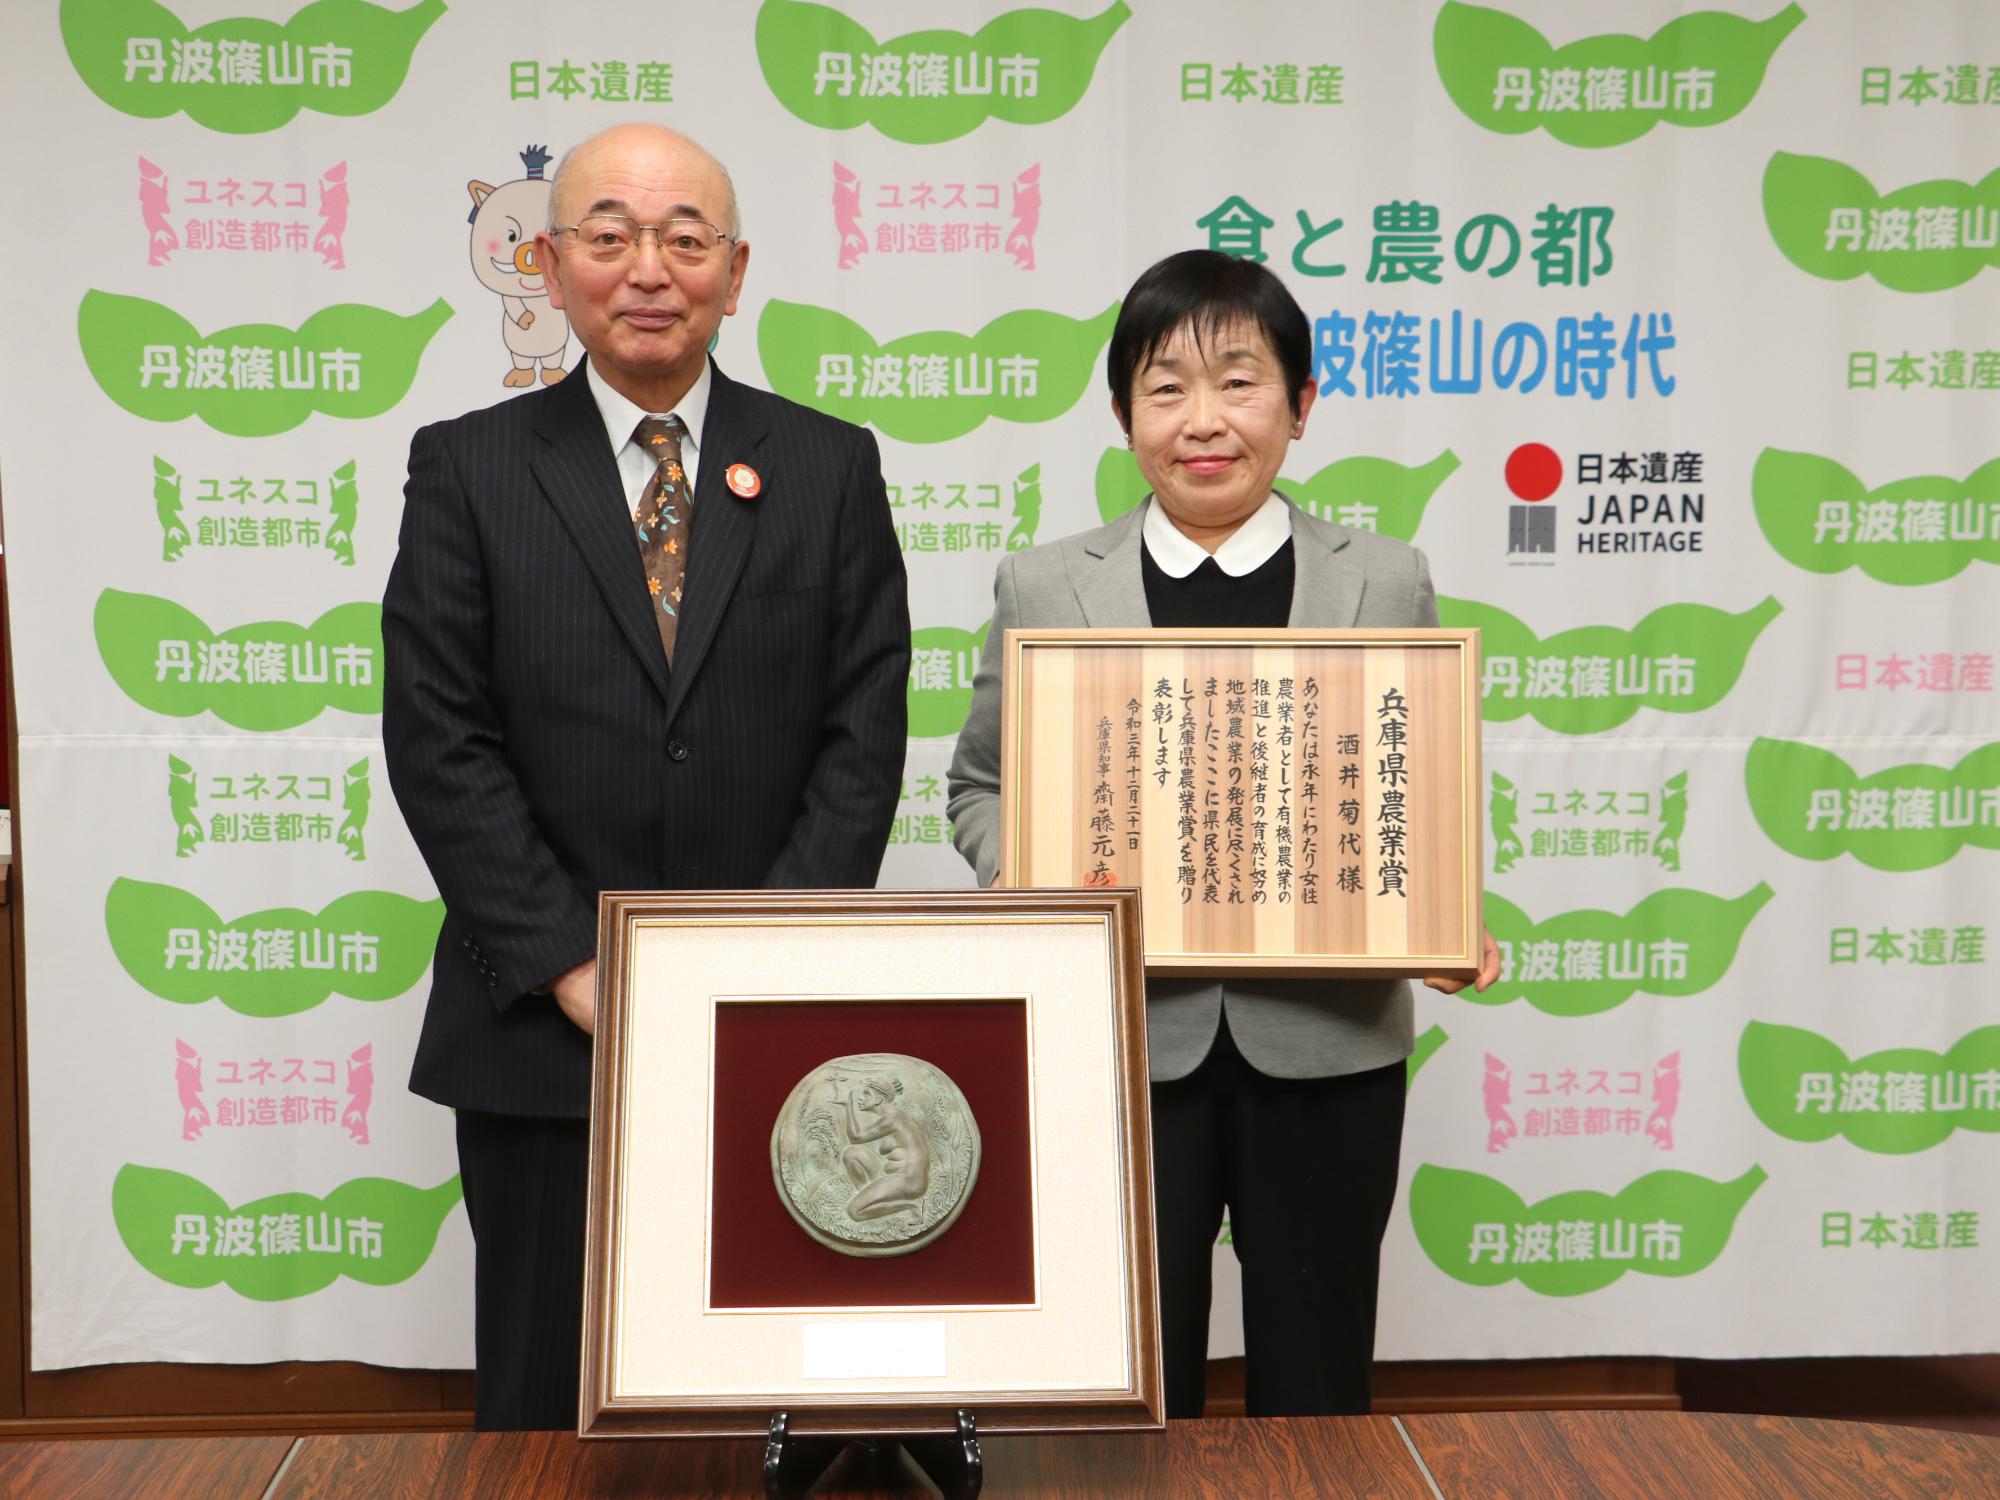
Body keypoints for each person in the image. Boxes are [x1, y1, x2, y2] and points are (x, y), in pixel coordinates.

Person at [382, 122, 910, 1430]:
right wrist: (573, 966)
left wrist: (758, 965)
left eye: (686, 238)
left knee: (770, 1395)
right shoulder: (470, 467)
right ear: (554, 267)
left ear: (737, 272)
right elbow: (439, 738)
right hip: (541, 1038)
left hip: (773, 1037)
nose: (649, 268)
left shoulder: (830, 468)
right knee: (544, 1400)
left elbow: (864, 733)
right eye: (609, 234)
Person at [946, 249, 1499, 1419]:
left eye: (1238, 383)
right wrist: (1020, 863)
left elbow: (1418, 794)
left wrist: (1444, 918)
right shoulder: (1047, 586)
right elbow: (978, 785)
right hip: (1123, 1046)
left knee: (1316, 1372)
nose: (1202, 421)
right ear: (1119, 415)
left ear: (1299, 405)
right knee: (1129, 1383)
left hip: (1329, 1045)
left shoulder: (1384, 580)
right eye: (1164, 388)